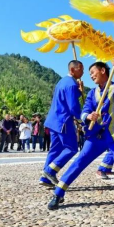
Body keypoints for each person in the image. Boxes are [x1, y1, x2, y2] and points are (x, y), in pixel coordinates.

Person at [48, 59, 114, 210]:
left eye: (92, 72)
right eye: (89, 73)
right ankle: (58, 193)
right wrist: (88, 117)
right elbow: (84, 111)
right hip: (97, 136)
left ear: (103, 71)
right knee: (80, 161)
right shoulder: (92, 93)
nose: (90, 76)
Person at [40, 60, 85, 188]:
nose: (82, 72)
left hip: (53, 120)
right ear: (72, 70)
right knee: (71, 148)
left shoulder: (63, 81)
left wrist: (79, 91)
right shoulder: (71, 84)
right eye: (80, 69)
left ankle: (45, 178)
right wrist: (81, 120)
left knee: (55, 150)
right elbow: (73, 107)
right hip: (63, 120)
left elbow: (65, 97)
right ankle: (50, 171)